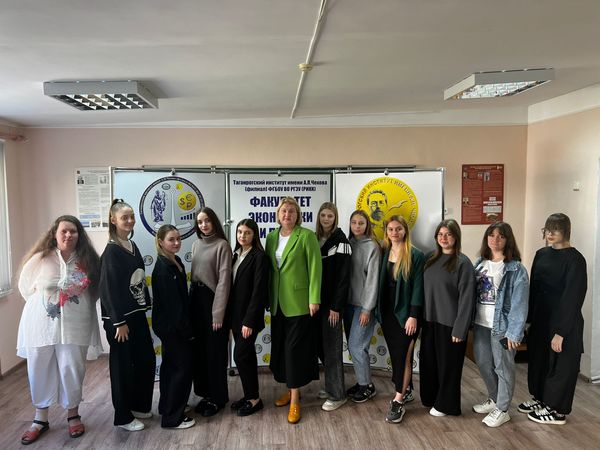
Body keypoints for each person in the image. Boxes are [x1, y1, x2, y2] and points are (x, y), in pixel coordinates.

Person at [17, 215, 102, 445]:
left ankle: (73, 415)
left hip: (76, 325)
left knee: (72, 368)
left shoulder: (89, 260)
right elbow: (25, 287)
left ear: (79, 234)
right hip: (41, 325)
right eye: (64, 231)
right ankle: (40, 419)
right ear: (54, 233)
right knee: (39, 367)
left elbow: (95, 291)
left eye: (73, 231)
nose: (68, 235)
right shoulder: (40, 259)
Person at [519, 213, 587, 425]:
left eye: (555, 229)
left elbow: (573, 297)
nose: (550, 233)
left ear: (566, 231)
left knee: (560, 366)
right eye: (547, 229)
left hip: (564, 322)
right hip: (541, 319)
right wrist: (528, 320)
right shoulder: (541, 254)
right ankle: (541, 399)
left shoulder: (575, 260)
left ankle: (557, 411)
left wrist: (561, 332)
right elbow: (534, 289)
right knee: (539, 362)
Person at [100, 199, 156, 432]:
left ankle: (139, 405)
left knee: (146, 360)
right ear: (113, 220)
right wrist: (118, 322)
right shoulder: (111, 251)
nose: (130, 220)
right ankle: (123, 416)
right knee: (122, 367)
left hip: (137, 315)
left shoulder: (132, 245)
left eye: (132, 216)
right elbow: (107, 290)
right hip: (120, 320)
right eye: (125, 217)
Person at [265, 197, 322, 424]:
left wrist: (314, 298)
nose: (287, 214)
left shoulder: (306, 236)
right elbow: (270, 270)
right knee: (281, 349)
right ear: (278, 215)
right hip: (277, 303)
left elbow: (315, 268)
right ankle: (290, 389)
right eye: (283, 211)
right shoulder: (271, 237)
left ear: (298, 215)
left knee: (294, 351)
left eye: (291, 211)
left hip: (299, 303)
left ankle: (296, 400)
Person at [472, 222, 529, 427]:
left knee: (503, 367)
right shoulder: (479, 263)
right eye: (491, 235)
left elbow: (520, 303)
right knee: (484, 363)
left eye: (501, 236)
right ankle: (495, 399)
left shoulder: (516, 269)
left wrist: (514, 332)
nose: (495, 239)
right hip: (480, 324)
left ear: (508, 240)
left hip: (502, 327)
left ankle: (503, 409)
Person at [420, 219, 475, 417]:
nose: (444, 238)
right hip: (429, 321)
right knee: (429, 363)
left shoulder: (463, 263)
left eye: (449, 234)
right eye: (440, 234)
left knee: (448, 367)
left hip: (450, 324)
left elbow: (467, 299)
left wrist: (460, 329)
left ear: (456, 237)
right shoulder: (429, 259)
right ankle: (431, 398)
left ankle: (446, 405)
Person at [375, 216, 424, 424]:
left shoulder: (415, 255)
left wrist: (413, 315)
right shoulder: (384, 252)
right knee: (397, 356)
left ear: (405, 231)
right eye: (391, 229)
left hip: (407, 316)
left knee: (403, 356)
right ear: (386, 232)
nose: (394, 233)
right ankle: (406, 389)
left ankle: (398, 400)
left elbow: (418, 288)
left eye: (398, 229)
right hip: (387, 314)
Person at [151, 225, 195, 429]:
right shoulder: (163, 268)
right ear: (161, 242)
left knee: (170, 368)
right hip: (172, 328)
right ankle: (172, 418)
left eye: (178, 238)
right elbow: (173, 307)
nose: (176, 243)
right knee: (181, 370)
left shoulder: (175, 261)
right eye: (171, 239)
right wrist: (187, 331)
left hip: (174, 327)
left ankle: (167, 407)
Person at [190, 207, 232, 417]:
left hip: (213, 300)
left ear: (214, 221)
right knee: (200, 352)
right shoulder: (196, 244)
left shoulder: (222, 245)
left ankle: (218, 398)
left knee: (215, 352)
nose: (203, 225)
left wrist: (218, 314)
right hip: (196, 300)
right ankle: (205, 394)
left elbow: (224, 282)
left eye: (207, 220)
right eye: (200, 222)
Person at [228, 219, 268, 417]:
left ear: (254, 235)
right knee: (247, 357)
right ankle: (250, 396)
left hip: (248, 319)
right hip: (235, 317)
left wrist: (249, 321)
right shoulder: (236, 255)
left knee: (241, 356)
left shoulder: (259, 256)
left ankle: (254, 400)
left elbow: (258, 291)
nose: (242, 236)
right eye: (239, 232)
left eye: (247, 233)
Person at [315, 202, 351, 412]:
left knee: (332, 349)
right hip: (317, 303)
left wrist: (336, 307)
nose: (326, 219)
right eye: (323, 215)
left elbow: (343, 278)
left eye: (330, 216)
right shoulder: (316, 238)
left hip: (332, 306)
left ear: (335, 218)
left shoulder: (342, 241)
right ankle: (331, 386)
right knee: (321, 347)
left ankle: (338, 395)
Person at [344, 209, 380, 403]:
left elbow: (372, 281)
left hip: (363, 306)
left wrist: (367, 309)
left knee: (357, 346)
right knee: (354, 347)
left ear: (367, 225)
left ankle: (367, 386)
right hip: (348, 305)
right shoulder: (347, 244)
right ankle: (361, 382)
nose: (357, 226)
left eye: (361, 223)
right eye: (354, 223)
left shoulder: (372, 247)